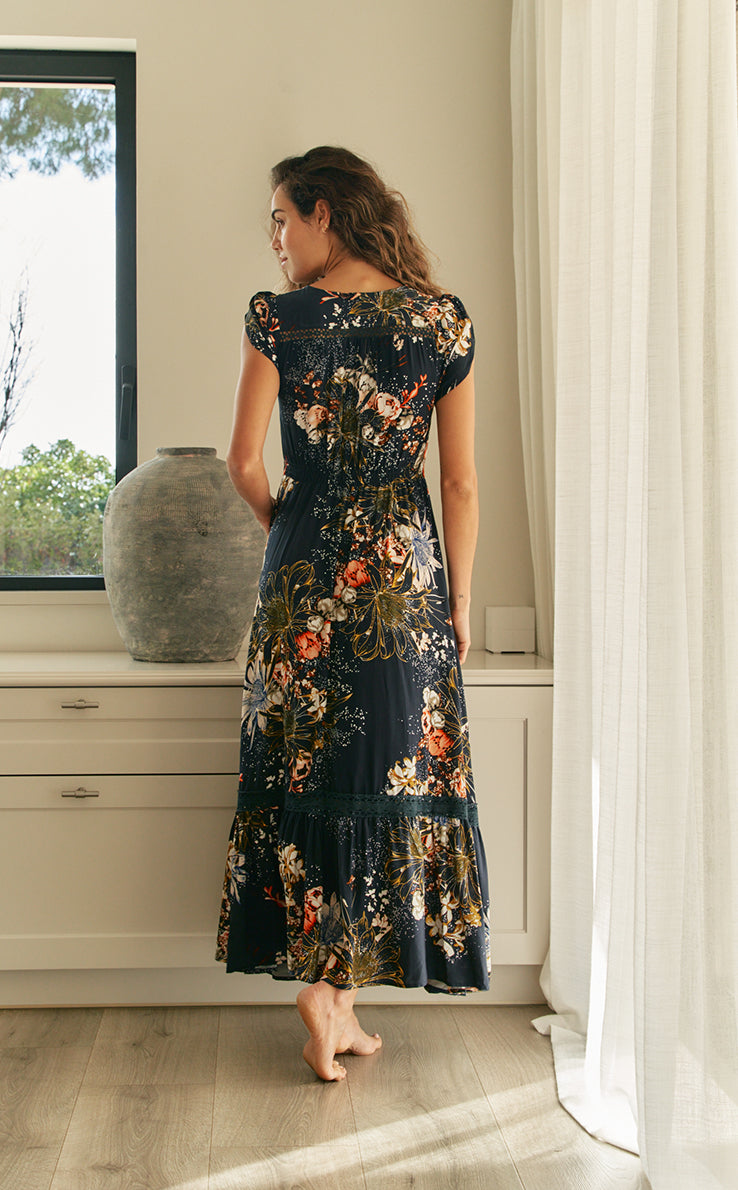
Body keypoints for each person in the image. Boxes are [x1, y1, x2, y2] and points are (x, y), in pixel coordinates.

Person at [215, 146, 490, 1081]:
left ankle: (333, 1000)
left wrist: (289, 527)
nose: (278, 241)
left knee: (312, 773)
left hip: (303, 576)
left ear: (323, 213)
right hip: (403, 585)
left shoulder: (279, 321)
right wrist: (455, 598)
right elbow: (457, 480)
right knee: (385, 775)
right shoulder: (437, 324)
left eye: (283, 221)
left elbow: (243, 466)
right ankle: (338, 999)